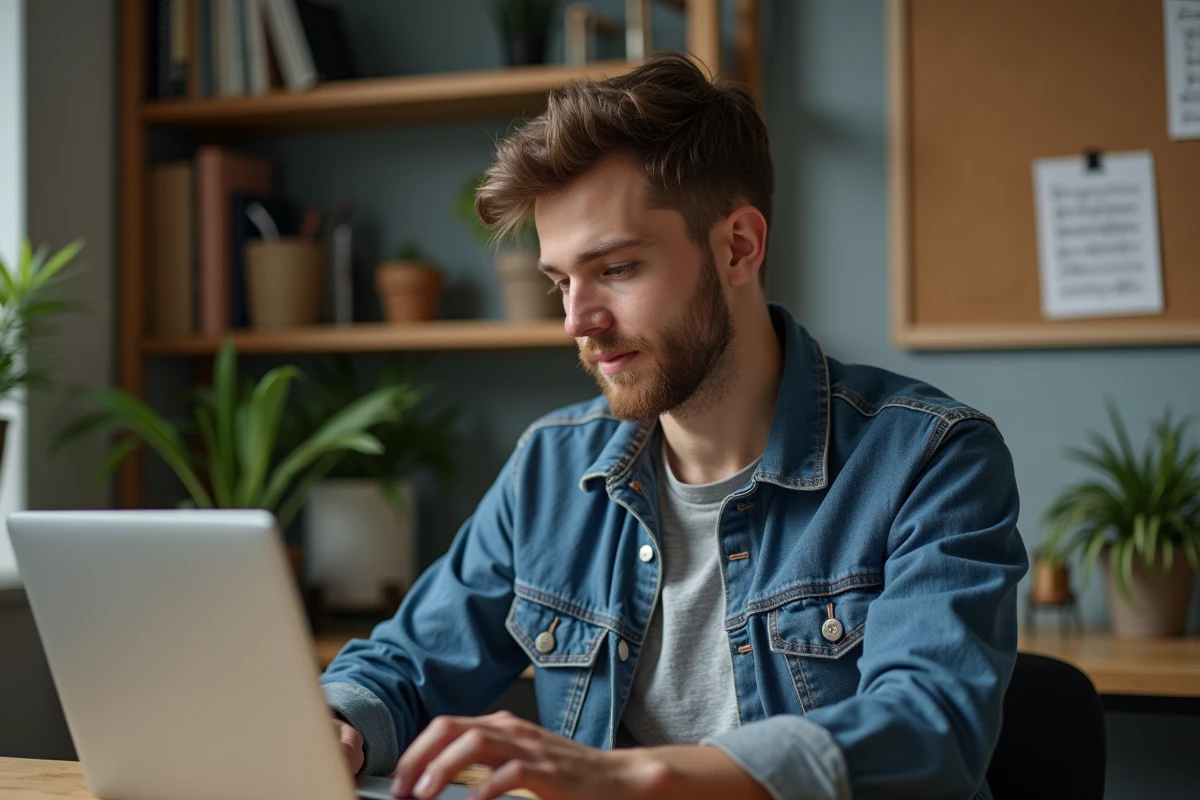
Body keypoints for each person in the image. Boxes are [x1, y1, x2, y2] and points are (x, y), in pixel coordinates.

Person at [320, 52, 1028, 800]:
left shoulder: (931, 458)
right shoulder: (551, 469)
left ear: (737, 247)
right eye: (561, 282)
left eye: (616, 269)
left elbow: (928, 730)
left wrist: (626, 776)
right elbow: (404, 662)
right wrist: (340, 723)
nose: (576, 321)